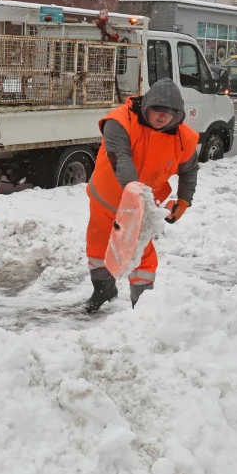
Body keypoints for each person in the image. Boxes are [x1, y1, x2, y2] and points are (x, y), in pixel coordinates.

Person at [85, 78, 199, 312]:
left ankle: (143, 305)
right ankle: (103, 289)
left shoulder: (184, 139)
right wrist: (134, 195)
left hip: (141, 210)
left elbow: (189, 171)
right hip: (106, 201)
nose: (163, 116)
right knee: (97, 247)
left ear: (178, 114)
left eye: (170, 112)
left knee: (141, 255)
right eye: (157, 109)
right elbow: (121, 158)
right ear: (146, 105)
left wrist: (184, 200)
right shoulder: (119, 122)